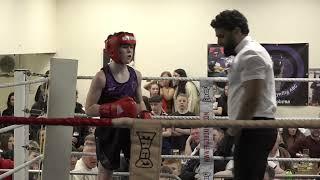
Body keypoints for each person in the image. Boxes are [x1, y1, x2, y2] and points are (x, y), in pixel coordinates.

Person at [210, 10, 278, 180]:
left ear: (237, 31)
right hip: (250, 126)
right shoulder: (246, 53)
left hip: (254, 127)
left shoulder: (251, 53)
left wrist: (231, 133)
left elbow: (252, 99)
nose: (219, 41)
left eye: (222, 36)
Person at [85, 32, 151, 180]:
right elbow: (89, 109)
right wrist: (115, 109)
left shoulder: (136, 75)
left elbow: (140, 101)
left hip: (131, 128)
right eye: (125, 47)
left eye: (132, 47)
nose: (130, 51)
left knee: (139, 168)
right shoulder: (101, 77)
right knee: (106, 172)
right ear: (114, 49)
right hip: (109, 130)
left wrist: (145, 113)